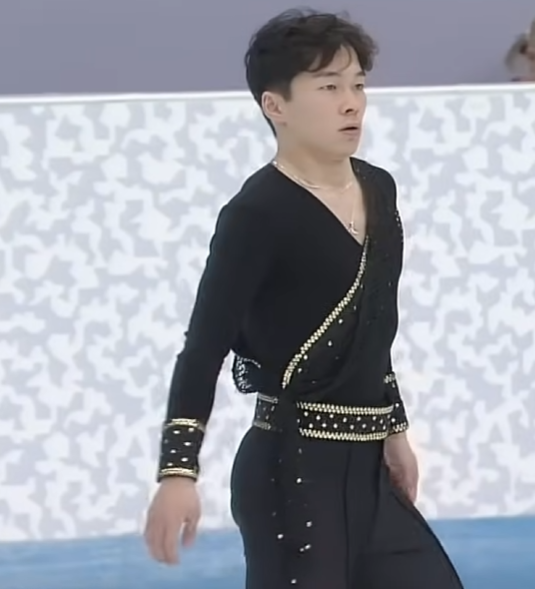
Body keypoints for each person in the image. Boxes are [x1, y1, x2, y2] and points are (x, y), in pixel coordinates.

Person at [143, 9, 464, 589]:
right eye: (329, 87)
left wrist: (394, 430)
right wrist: (178, 471)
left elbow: (373, 328)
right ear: (276, 106)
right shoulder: (256, 214)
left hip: (371, 474)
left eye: (358, 85)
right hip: (290, 473)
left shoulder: (379, 188)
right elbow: (204, 347)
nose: (352, 104)